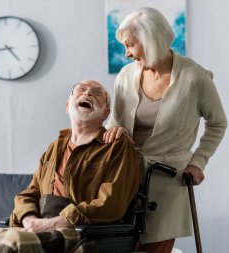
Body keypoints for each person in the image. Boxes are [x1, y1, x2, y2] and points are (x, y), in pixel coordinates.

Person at [103, 7, 228, 253]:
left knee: (155, 248)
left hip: (168, 180)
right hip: (124, 177)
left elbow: (218, 123)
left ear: (150, 41)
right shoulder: (125, 76)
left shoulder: (195, 78)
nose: (126, 53)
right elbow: (115, 121)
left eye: (130, 45)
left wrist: (198, 162)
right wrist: (115, 130)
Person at [9, 80, 140, 232]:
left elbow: (112, 204)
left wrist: (53, 224)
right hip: (35, 228)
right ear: (67, 106)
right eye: (81, 89)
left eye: (97, 92)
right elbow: (29, 193)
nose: (87, 93)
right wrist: (30, 221)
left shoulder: (116, 145)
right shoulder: (55, 146)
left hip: (80, 233)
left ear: (105, 113)